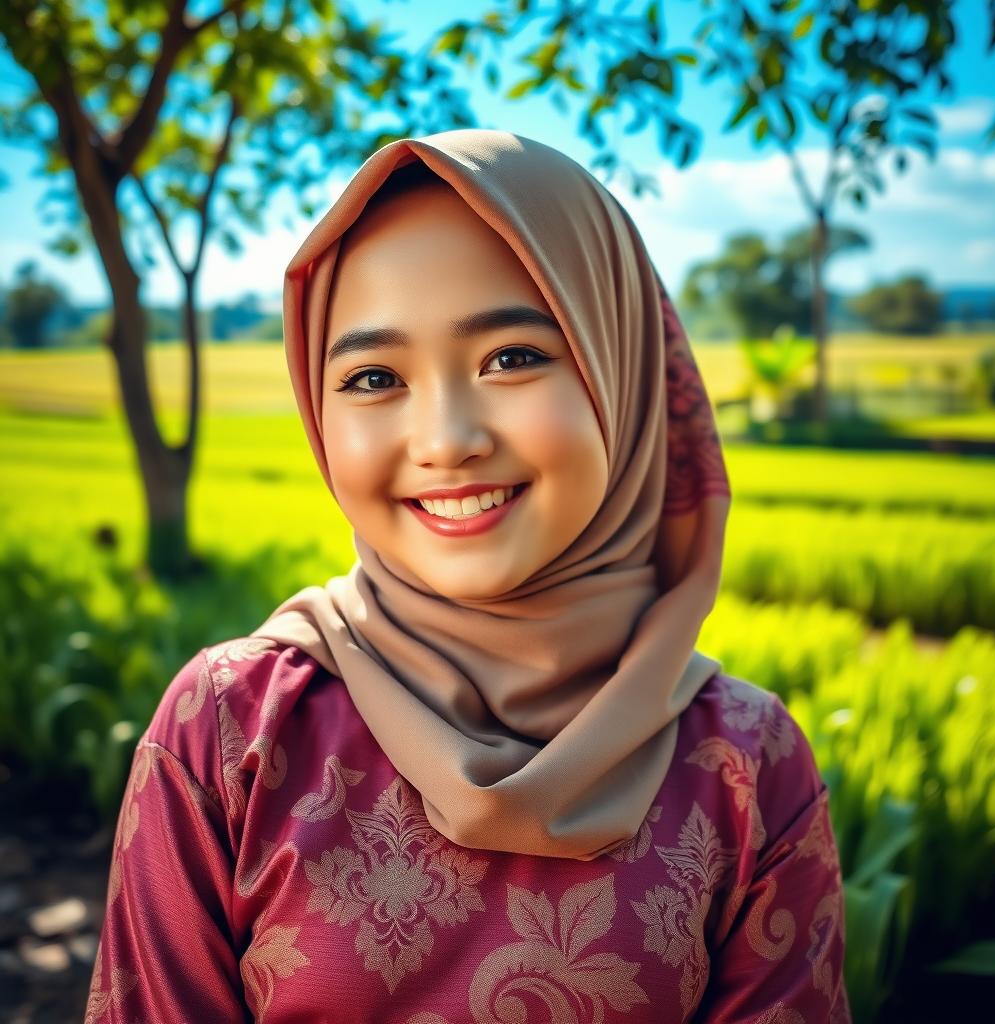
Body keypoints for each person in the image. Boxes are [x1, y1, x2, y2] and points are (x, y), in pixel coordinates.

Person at [87, 129, 850, 1024]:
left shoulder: (747, 769)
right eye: (373, 376)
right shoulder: (233, 733)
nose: (447, 439)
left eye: (514, 358)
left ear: (623, 371)